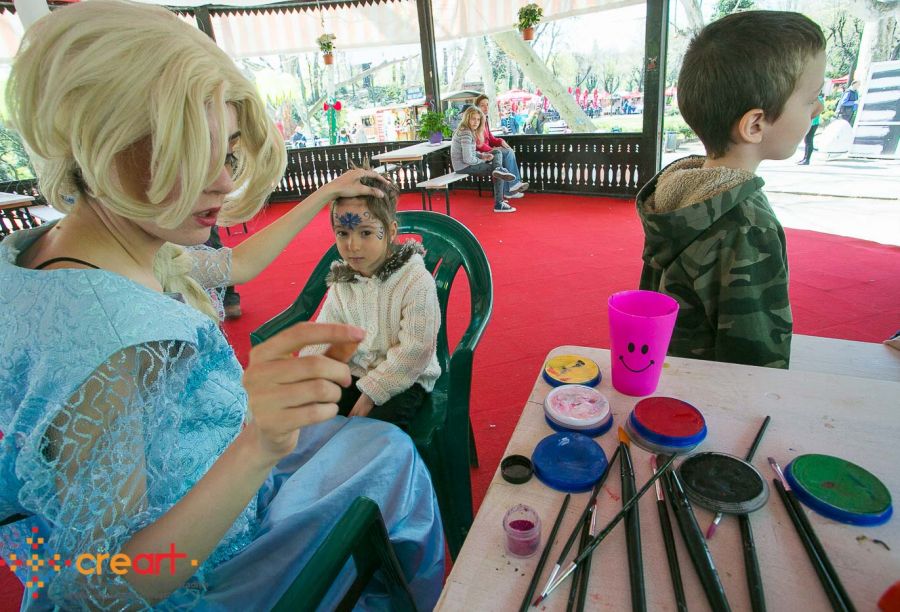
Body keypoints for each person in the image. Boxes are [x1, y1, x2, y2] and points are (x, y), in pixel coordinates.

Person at [0, 1, 444, 609]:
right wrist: (258, 444)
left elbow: (237, 265)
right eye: (188, 154)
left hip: (209, 464)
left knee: (381, 448)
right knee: (391, 457)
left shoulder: (57, 251)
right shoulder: (110, 339)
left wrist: (324, 195)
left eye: (228, 152)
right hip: (209, 560)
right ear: (97, 146)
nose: (225, 182)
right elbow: (101, 583)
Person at [636, 10, 826, 369]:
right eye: (811, 98)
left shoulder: (676, 194)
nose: (819, 107)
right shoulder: (746, 222)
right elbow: (755, 355)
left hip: (668, 375)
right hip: (714, 394)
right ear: (755, 125)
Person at [300, 171, 440, 431]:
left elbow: (415, 349)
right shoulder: (343, 283)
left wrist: (372, 393)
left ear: (391, 230)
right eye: (342, 233)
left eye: (365, 232)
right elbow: (325, 334)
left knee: (370, 433)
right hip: (356, 373)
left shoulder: (414, 280)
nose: (352, 245)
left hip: (405, 378)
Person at [450, 106, 517, 213]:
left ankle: (498, 169)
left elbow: (471, 152)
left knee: (497, 152)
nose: (476, 122)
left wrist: (482, 156)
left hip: (465, 164)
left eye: (478, 119)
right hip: (463, 166)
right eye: (473, 119)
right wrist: (483, 160)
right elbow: (468, 159)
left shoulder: (467, 130)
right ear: (467, 118)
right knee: (498, 173)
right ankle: (499, 204)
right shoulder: (466, 133)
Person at [474, 94, 529, 200]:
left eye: (487, 105)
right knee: (508, 153)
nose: (486, 107)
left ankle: (509, 191)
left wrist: (500, 141)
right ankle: (513, 185)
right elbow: (478, 144)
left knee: (508, 151)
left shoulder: (485, 120)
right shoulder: (475, 121)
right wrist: (492, 149)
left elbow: (490, 138)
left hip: (490, 152)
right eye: (482, 105)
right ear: (477, 107)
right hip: (481, 155)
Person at [798, 93, 825, 165]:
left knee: (808, 140)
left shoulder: (817, 100)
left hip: (813, 123)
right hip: (813, 122)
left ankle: (807, 159)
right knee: (807, 140)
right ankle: (805, 158)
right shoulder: (818, 99)